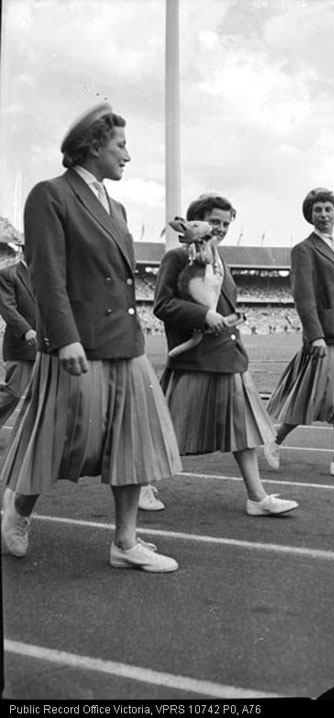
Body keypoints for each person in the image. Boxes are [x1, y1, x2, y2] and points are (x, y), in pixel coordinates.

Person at [0, 103, 182, 572]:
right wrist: (64, 339)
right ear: (93, 145)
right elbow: (47, 275)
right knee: (57, 440)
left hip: (125, 341)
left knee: (132, 442)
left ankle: (125, 542)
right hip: (78, 343)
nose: (127, 155)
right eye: (121, 145)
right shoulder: (50, 195)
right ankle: (17, 513)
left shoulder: (116, 205)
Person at [153, 193, 298, 517]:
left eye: (225, 223)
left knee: (243, 429)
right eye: (214, 222)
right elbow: (162, 305)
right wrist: (202, 316)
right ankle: (143, 484)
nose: (219, 228)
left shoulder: (220, 259)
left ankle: (256, 496)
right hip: (194, 360)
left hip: (228, 357)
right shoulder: (177, 256)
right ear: (197, 221)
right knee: (171, 430)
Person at [265, 187, 334, 479]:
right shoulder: (304, 249)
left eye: (328, 209)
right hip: (324, 334)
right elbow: (303, 295)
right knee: (312, 395)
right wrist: (314, 335)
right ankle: (274, 440)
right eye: (317, 210)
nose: (323, 214)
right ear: (310, 215)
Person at [0, 254, 37, 429]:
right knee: (13, 393)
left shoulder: (49, 274)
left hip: (51, 345)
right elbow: (8, 308)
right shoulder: (8, 274)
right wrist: (26, 330)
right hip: (22, 346)